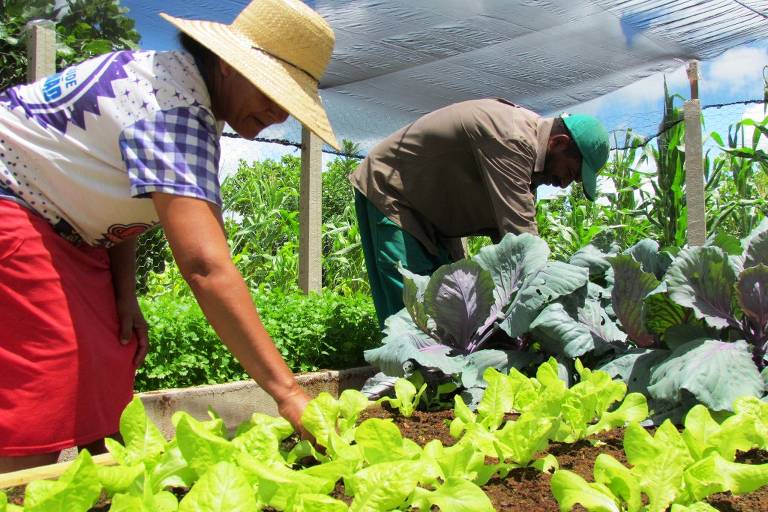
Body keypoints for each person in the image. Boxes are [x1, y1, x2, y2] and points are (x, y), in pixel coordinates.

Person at [0, 0, 338, 472]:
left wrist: (124, 293)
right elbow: (205, 266)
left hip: (71, 232)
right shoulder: (173, 111)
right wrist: (288, 394)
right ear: (227, 63)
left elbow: (122, 194)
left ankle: (112, 490)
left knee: (109, 363)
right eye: (271, 89)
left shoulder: (174, 88)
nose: (279, 113)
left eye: (290, 101)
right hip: (15, 208)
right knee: (46, 380)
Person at [349, 99, 610, 328]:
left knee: (447, 303)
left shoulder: (531, 161)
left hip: (436, 214)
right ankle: (411, 367)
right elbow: (522, 239)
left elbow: (508, 243)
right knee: (411, 303)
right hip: (395, 192)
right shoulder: (513, 138)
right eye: (570, 172)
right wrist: (552, 303)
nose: (564, 184)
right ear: (559, 142)